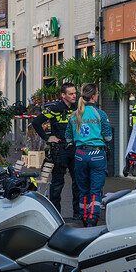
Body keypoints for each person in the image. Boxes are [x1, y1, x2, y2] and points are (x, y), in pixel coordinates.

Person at [65, 83, 113, 227]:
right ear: (93, 96)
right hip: (97, 154)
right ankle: (93, 217)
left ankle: (84, 216)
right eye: (97, 94)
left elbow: (68, 137)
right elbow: (108, 137)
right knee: (95, 189)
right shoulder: (100, 114)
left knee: (83, 189)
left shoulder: (75, 115)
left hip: (79, 154)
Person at [31, 82, 79, 217]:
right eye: (71, 93)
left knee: (77, 182)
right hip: (60, 150)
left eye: (75, 93)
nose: (74, 96)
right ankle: (56, 215)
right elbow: (36, 122)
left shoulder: (77, 108)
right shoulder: (55, 108)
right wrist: (47, 137)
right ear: (63, 95)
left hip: (75, 149)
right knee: (57, 183)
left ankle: (77, 214)